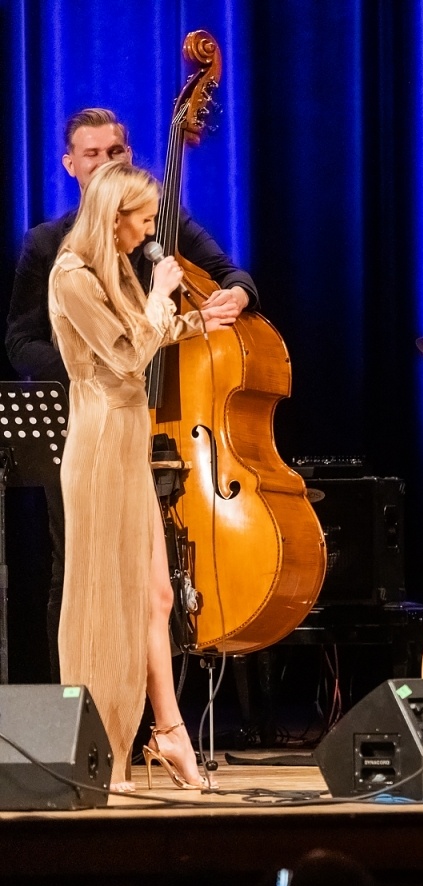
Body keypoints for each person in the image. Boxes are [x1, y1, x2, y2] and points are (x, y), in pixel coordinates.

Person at [5, 107, 256, 681]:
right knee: (77, 573)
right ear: (71, 166)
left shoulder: (154, 225)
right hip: (89, 424)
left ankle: (155, 720)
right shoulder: (52, 250)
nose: (103, 164)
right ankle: (78, 711)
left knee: (154, 585)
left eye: (113, 153)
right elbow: (24, 341)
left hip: (160, 421)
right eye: (89, 155)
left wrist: (233, 299)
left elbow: (228, 274)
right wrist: (88, 368)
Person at [48, 161, 239, 790]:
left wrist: (194, 321)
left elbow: (144, 338)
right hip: (101, 440)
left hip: (128, 438)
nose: (151, 228)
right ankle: (101, 754)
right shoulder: (72, 275)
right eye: (144, 216)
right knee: (103, 602)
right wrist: (160, 296)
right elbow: (127, 352)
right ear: (114, 217)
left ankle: (145, 742)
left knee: (145, 596)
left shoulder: (111, 270)